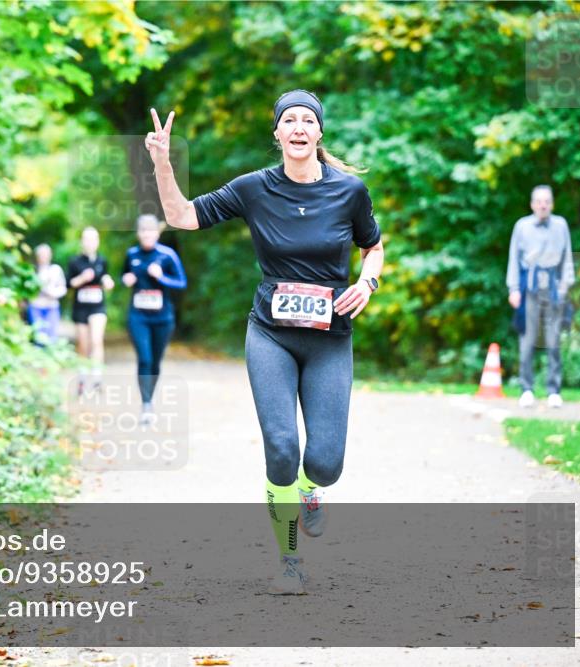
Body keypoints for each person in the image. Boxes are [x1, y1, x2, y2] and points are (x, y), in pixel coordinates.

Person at [145, 90, 385, 595]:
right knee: (281, 448)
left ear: (319, 133)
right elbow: (182, 216)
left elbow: (374, 247)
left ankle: (311, 489)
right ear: (277, 133)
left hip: (329, 340)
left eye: (307, 120)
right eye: (289, 120)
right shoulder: (253, 188)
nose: (298, 127)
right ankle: (290, 560)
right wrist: (163, 163)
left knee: (325, 464)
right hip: (271, 335)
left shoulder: (349, 191)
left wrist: (367, 283)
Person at [506, 185, 575, 409]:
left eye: (547, 201)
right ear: (532, 204)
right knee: (527, 342)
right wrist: (514, 288)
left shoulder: (560, 225)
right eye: (539, 201)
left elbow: (567, 257)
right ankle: (526, 389)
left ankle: (554, 390)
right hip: (529, 289)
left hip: (554, 289)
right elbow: (513, 258)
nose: (543, 205)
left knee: (553, 341)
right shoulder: (522, 226)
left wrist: (565, 286)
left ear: (552, 204)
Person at [121, 214, 188, 424]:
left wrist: (161, 277)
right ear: (138, 233)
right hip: (138, 316)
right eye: (143, 231)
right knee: (145, 359)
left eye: (150, 231)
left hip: (163, 318)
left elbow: (181, 283)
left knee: (156, 362)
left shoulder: (167, 255)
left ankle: (149, 397)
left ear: (157, 233)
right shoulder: (132, 255)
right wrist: (126, 279)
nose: (147, 235)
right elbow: (124, 276)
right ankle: (146, 404)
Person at [67, 227, 114, 395]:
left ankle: (97, 379)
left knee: (96, 340)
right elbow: (68, 284)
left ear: (98, 241)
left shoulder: (102, 261)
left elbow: (105, 279)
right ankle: (82, 378)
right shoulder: (74, 261)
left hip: (97, 307)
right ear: (82, 242)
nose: (90, 243)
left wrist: (108, 282)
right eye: (87, 239)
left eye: (93, 239)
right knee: (83, 344)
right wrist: (81, 278)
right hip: (80, 308)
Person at [27, 244, 67, 346]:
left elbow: (63, 288)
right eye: (41, 254)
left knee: (52, 337)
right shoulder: (32, 270)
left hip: (52, 307)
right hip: (36, 307)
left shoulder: (56, 269)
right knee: (38, 337)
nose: (44, 256)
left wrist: (52, 293)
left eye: (46, 254)